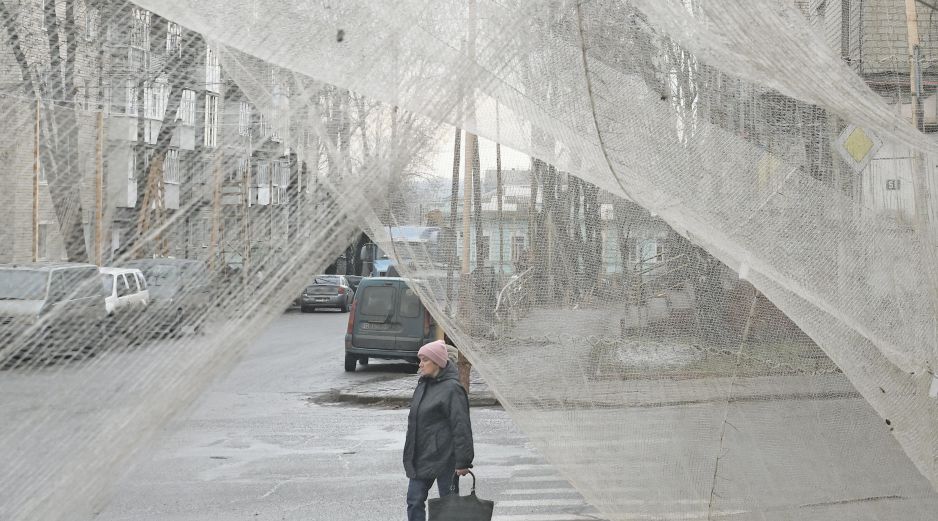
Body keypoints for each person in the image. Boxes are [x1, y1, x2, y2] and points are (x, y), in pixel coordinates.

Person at [403, 340, 474, 521]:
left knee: (448, 507)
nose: (420, 364)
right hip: (422, 456)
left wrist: (463, 462)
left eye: (424, 360)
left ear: (437, 363)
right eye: (420, 359)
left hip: (445, 458)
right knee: (414, 500)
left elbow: (461, 426)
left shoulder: (452, 389)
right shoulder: (423, 384)